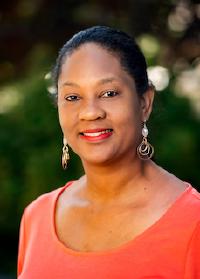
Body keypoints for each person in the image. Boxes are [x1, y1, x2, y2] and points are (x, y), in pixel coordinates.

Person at [17, 26, 200, 278]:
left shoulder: (193, 223)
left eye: (109, 93)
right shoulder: (35, 218)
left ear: (144, 103)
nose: (90, 112)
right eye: (72, 97)